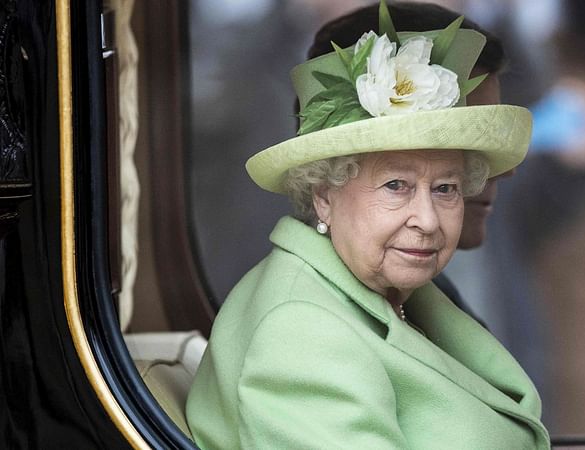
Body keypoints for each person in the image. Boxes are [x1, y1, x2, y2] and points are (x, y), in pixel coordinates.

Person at [186, 1, 550, 448]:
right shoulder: (299, 331)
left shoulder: (404, 293)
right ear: (323, 193)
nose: (428, 220)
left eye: (446, 188)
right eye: (396, 185)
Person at [305, 2, 514, 322]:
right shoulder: (308, 323)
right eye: (396, 183)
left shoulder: (423, 294)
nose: (505, 170)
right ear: (324, 189)